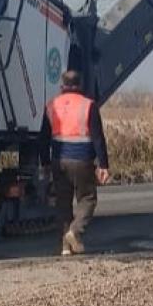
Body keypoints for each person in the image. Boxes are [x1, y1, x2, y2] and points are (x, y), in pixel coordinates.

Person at [40, 70, 110, 255]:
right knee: (87, 198)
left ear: (62, 86)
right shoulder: (88, 105)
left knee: (63, 203)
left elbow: (43, 139)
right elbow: (98, 138)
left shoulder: (52, 105)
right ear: (80, 85)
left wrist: (45, 163)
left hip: (59, 161)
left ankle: (65, 247)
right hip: (82, 161)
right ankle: (75, 231)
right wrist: (103, 165)